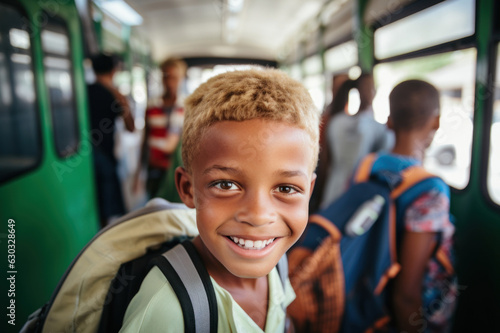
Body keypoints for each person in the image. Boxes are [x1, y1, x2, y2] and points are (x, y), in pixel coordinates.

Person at [120, 68, 320, 332]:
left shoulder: (277, 263)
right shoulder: (165, 308)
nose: (259, 215)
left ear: (310, 190)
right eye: (226, 185)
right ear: (187, 189)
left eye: (285, 188)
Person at [373, 80, 457, 333]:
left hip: (372, 300)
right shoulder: (431, 191)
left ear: (389, 121)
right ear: (436, 121)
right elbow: (407, 295)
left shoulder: (368, 165)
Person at [320, 73, 394, 208]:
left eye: (372, 88)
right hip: (344, 185)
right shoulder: (343, 123)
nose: (371, 92)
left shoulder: (375, 126)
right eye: (368, 88)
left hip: (347, 186)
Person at [87, 53, 135, 228]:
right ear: (114, 71)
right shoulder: (114, 95)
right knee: (106, 205)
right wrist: (121, 98)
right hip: (105, 154)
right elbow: (131, 127)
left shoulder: (85, 90)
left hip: (83, 155)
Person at [133, 57, 187, 199]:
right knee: (155, 204)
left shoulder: (187, 107)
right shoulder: (152, 106)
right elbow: (145, 139)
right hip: (155, 167)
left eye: (174, 78)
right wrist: (138, 173)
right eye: (166, 77)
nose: (169, 83)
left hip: (179, 168)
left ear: (181, 78)